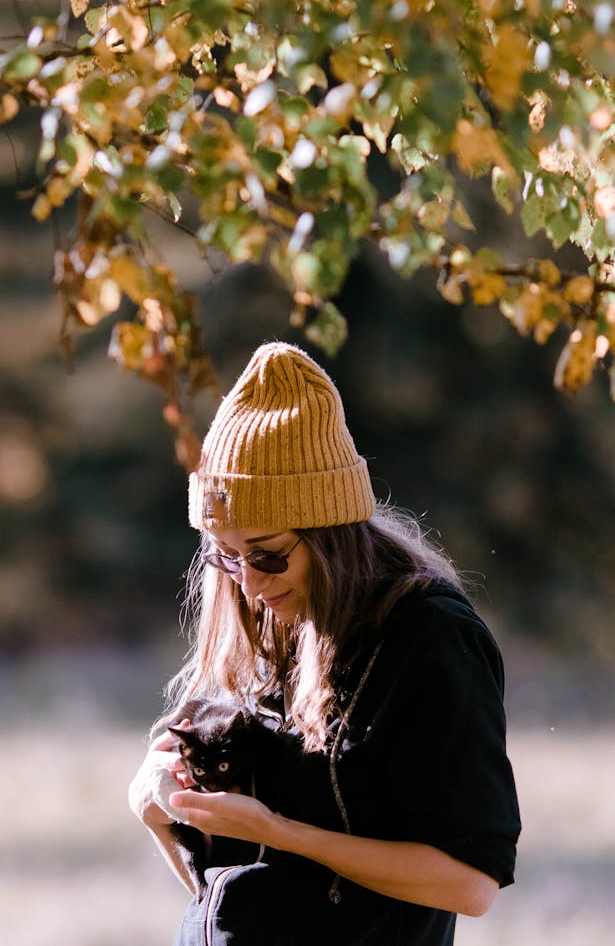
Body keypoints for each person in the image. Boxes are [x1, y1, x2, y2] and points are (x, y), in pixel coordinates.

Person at [129, 342, 521, 946]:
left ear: (330, 531)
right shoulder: (260, 620)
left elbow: (469, 885)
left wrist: (283, 833)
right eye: (225, 557)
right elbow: (238, 895)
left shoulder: (432, 639)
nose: (250, 584)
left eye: (266, 554)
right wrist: (160, 809)